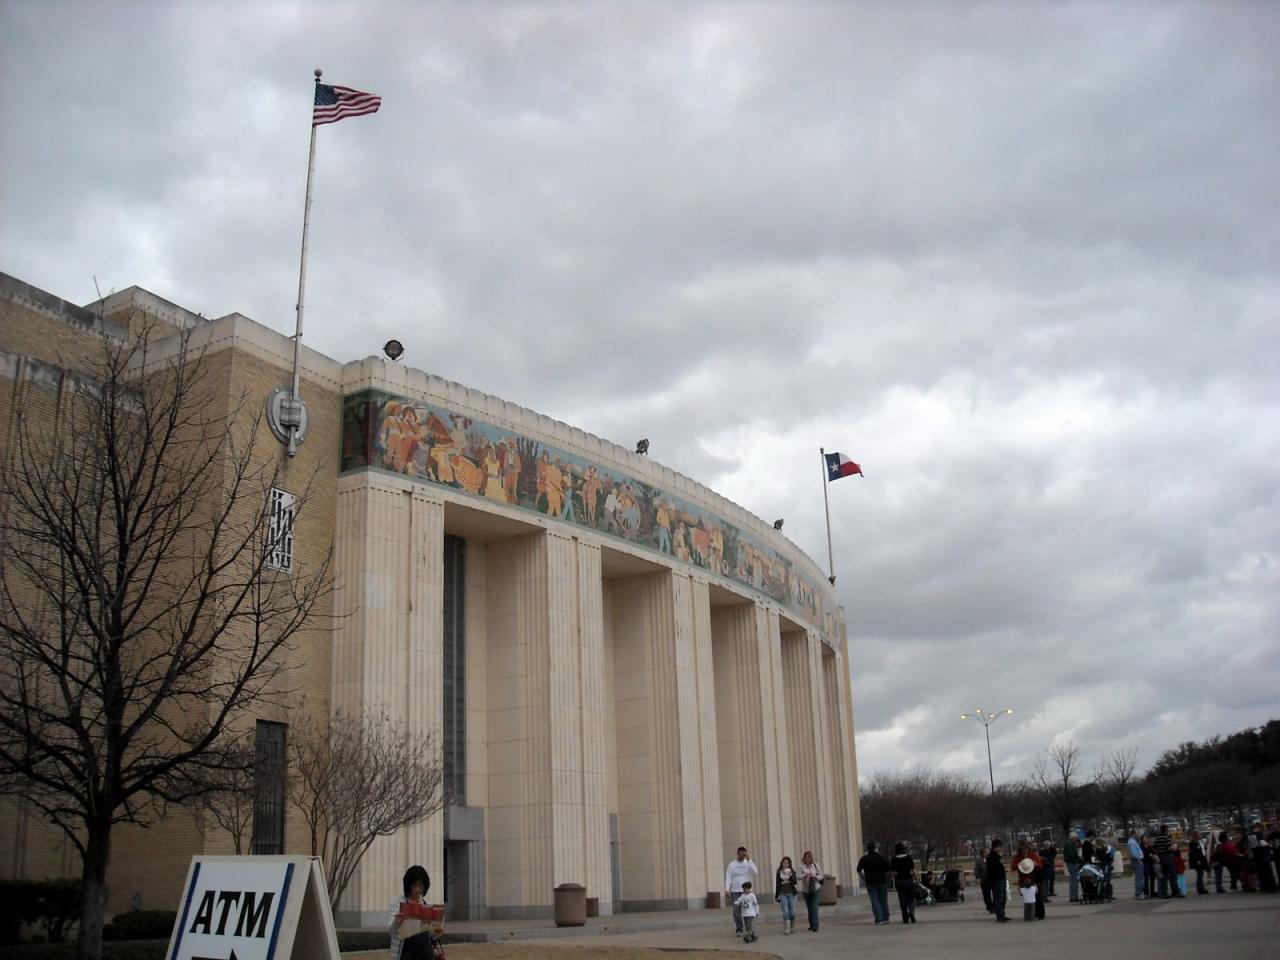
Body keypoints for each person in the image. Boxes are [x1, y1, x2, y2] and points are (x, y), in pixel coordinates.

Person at [389, 865, 435, 960]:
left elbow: (431, 936)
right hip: (406, 954)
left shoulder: (427, 904)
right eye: (414, 885)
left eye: (420, 886)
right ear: (408, 885)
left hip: (425, 955)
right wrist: (396, 922)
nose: (417, 889)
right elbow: (391, 931)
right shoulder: (398, 903)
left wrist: (437, 932)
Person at [724, 845, 759, 938]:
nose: (742, 856)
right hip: (735, 891)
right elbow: (728, 877)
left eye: (743, 854)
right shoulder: (732, 865)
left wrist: (749, 859)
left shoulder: (748, 863)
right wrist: (727, 889)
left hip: (746, 891)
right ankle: (739, 928)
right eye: (740, 854)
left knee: (747, 910)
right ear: (737, 854)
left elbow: (755, 871)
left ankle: (749, 929)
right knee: (736, 911)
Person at [856, 842, 891, 925]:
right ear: (875, 848)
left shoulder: (864, 859)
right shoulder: (881, 858)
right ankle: (885, 917)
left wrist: (863, 877)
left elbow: (858, 869)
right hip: (881, 881)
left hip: (870, 882)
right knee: (883, 900)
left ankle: (879, 918)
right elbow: (888, 869)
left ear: (868, 849)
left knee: (875, 900)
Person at [798, 850, 825, 931]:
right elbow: (798, 876)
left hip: (816, 888)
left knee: (814, 907)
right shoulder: (802, 867)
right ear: (804, 858)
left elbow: (821, 875)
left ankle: (815, 925)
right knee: (810, 908)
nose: (808, 859)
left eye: (809, 857)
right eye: (806, 857)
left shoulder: (815, 865)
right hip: (806, 890)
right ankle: (811, 924)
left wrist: (815, 877)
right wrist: (804, 875)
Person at [891, 842, 917, 924]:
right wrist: (916, 879)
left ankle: (905, 918)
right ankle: (911, 912)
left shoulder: (894, 859)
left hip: (899, 881)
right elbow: (913, 870)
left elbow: (894, 873)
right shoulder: (909, 857)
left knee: (902, 900)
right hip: (909, 880)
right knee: (910, 898)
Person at [987, 838, 1010, 922]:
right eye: (1000, 847)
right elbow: (993, 869)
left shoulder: (997, 856)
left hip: (1001, 879)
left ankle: (1002, 913)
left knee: (1003, 897)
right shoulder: (992, 857)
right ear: (995, 847)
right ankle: (999, 914)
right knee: (998, 897)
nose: (1001, 848)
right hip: (996, 880)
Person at [774, 856, 798, 935]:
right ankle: (786, 928)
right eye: (784, 862)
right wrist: (777, 895)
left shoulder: (792, 871)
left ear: (789, 864)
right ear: (782, 863)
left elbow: (795, 882)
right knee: (785, 911)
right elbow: (777, 884)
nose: (786, 864)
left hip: (791, 893)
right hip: (783, 893)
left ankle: (792, 926)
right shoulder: (779, 872)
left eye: (787, 863)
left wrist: (790, 876)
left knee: (792, 912)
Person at [1063, 830, 1082, 901]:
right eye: (1076, 838)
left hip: (1070, 863)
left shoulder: (1068, 843)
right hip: (1072, 863)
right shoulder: (1070, 844)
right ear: (1073, 838)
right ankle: (1074, 896)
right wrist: (1077, 860)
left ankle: (1073, 896)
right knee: (1074, 880)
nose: (1076, 840)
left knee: (1073, 880)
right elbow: (1072, 854)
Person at [1017, 857, 1037, 922]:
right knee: (1032, 910)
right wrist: (1035, 886)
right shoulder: (1033, 888)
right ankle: (1032, 918)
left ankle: (1026, 918)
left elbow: (1020, 892)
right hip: (1032, 901)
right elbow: (1036, 890)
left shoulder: (1023, 889)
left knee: (1026, 910)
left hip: (1026, 902)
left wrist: (1019, 889)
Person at [1188, 830, 1209, 894]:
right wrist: (1197, 860)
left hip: (1202, 860)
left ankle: (1201, 888)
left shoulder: (1200, 842)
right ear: (1196, 835)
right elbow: (1194, 853)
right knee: (1200, 875)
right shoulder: (1192, 844)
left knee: (1200, 875)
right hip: (1198, 861)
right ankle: (1200, 889)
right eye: (1199, 834)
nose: (1200, 835)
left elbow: (1202, 850)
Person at [1128, 830, 1146, 899]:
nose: (1139, 835)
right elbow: (1133, 853)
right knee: (1139, 878)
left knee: (1139, 878)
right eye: (1137, 834)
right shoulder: (1132, 842)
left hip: (1137, 861)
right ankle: (1138, 893)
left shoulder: (1133, 841)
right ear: (1134, 834)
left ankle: (1139, 893)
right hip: (1137, 861)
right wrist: (1138, 858)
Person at [976, 846, 993, 913]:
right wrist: (978, 877)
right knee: (986, 895)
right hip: (984, 880)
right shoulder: (979, 860)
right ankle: (989, 907)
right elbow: (977, 869)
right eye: (985, 852)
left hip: (992, 879)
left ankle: (994, 905)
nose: (987, 853)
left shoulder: (992, 859)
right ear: (982, 853)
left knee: (996, 893)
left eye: (988, 852)